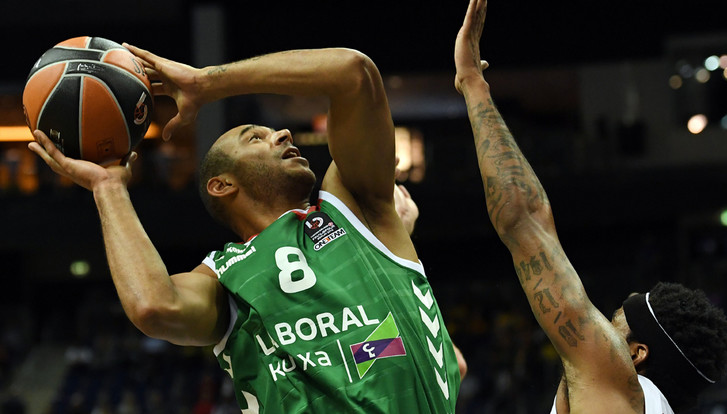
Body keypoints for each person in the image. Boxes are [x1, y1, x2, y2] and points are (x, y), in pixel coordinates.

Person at [29, 45, 463, 412]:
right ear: (222, 185)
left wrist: (207, 83)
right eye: (256, 137)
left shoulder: (355, 209)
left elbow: (354, 73)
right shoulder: (224, 277)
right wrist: (108, 188)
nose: (284, 133)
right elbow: (153, 308)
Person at [453, 0, 727, 413]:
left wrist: (472, 83)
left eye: (614, 322)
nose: (599, 323)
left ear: (636, 355)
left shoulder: (621, 385)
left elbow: (523, 218)